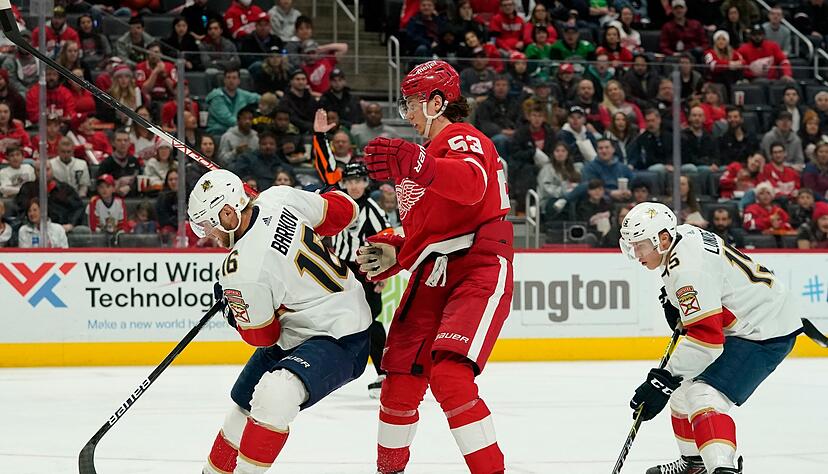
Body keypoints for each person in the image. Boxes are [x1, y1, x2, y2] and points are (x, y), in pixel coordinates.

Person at [359, 60, 513, 474]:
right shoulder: (427, 158)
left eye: (411, 103)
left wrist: (415, 163)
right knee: (399, 378)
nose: (406, 113)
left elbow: (472, 185)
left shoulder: (462, 137)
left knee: (450, 376)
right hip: (434, 271)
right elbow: (430, 230)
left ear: (438, 102)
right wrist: (397, 251)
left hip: (476, 264)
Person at [191, 169, 370, 474]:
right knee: (243, 407)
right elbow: (346, 211)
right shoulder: (278, 196)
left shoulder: (240, 270)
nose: (210, 235)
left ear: (228, 213)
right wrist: (324, 192)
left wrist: (233, 313)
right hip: (302, 330)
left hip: (341, 332)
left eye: (209, 225)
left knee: (274, 395)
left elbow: (263, 336)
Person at [619, 202, 801, 474]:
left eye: (640, 245)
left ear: (663, 239)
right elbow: (711, 283)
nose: (636, 253)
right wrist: (676, 302)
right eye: (631, 245)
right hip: (752, 314)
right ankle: (694, 465)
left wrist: (663, 379)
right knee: (681, 394)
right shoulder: (682, 236)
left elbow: (707, 341)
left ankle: (722, 469)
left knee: (704, 395)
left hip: (763, 330)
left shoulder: (688, 271)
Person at [326, 158, 392, 398]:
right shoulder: (338, 205)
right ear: (344, 183)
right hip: (341, 270)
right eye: (350, 181)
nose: (354, 186)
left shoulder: (373, 211)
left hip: (366, 272)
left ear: (366, 182)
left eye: (359, 181)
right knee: (335, 320)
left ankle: (386, 373)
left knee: (371, 321)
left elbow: (386, 239)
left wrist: (381, 273)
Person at [206, 68, 261, 136]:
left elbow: (259, 98)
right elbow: (227, 119)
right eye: (228, 77)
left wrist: (271, 98)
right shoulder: (216, 97)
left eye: (234, 78)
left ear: (239, 81)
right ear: (224, 80)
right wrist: (245, 124)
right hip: (219, 132)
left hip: (238, 131)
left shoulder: (242, 94)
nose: (231, 80)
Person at [97, 128, 142, 197]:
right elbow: (99, 184)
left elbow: (140, 180)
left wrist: (130, 187)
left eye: (125, 140)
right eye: (119, 140)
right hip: (112, 198)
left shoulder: (134, 161)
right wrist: (116, 187)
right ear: (113, 143)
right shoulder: (106, 163)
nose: (123, 143)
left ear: (129, 143)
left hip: (133, 197)